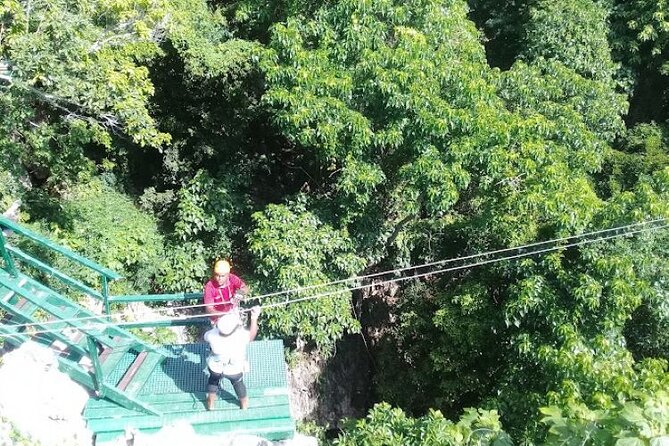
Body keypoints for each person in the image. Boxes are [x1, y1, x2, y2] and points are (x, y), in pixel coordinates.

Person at [204, 306, 261, 410]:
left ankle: (211, 403)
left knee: (213, 381)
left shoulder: (212, 335)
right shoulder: (240, 336)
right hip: (233, 368)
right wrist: (254, 317)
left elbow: (205, 336)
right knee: (238, 383)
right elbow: (252, 335)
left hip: (216, 366)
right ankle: (244, 404)